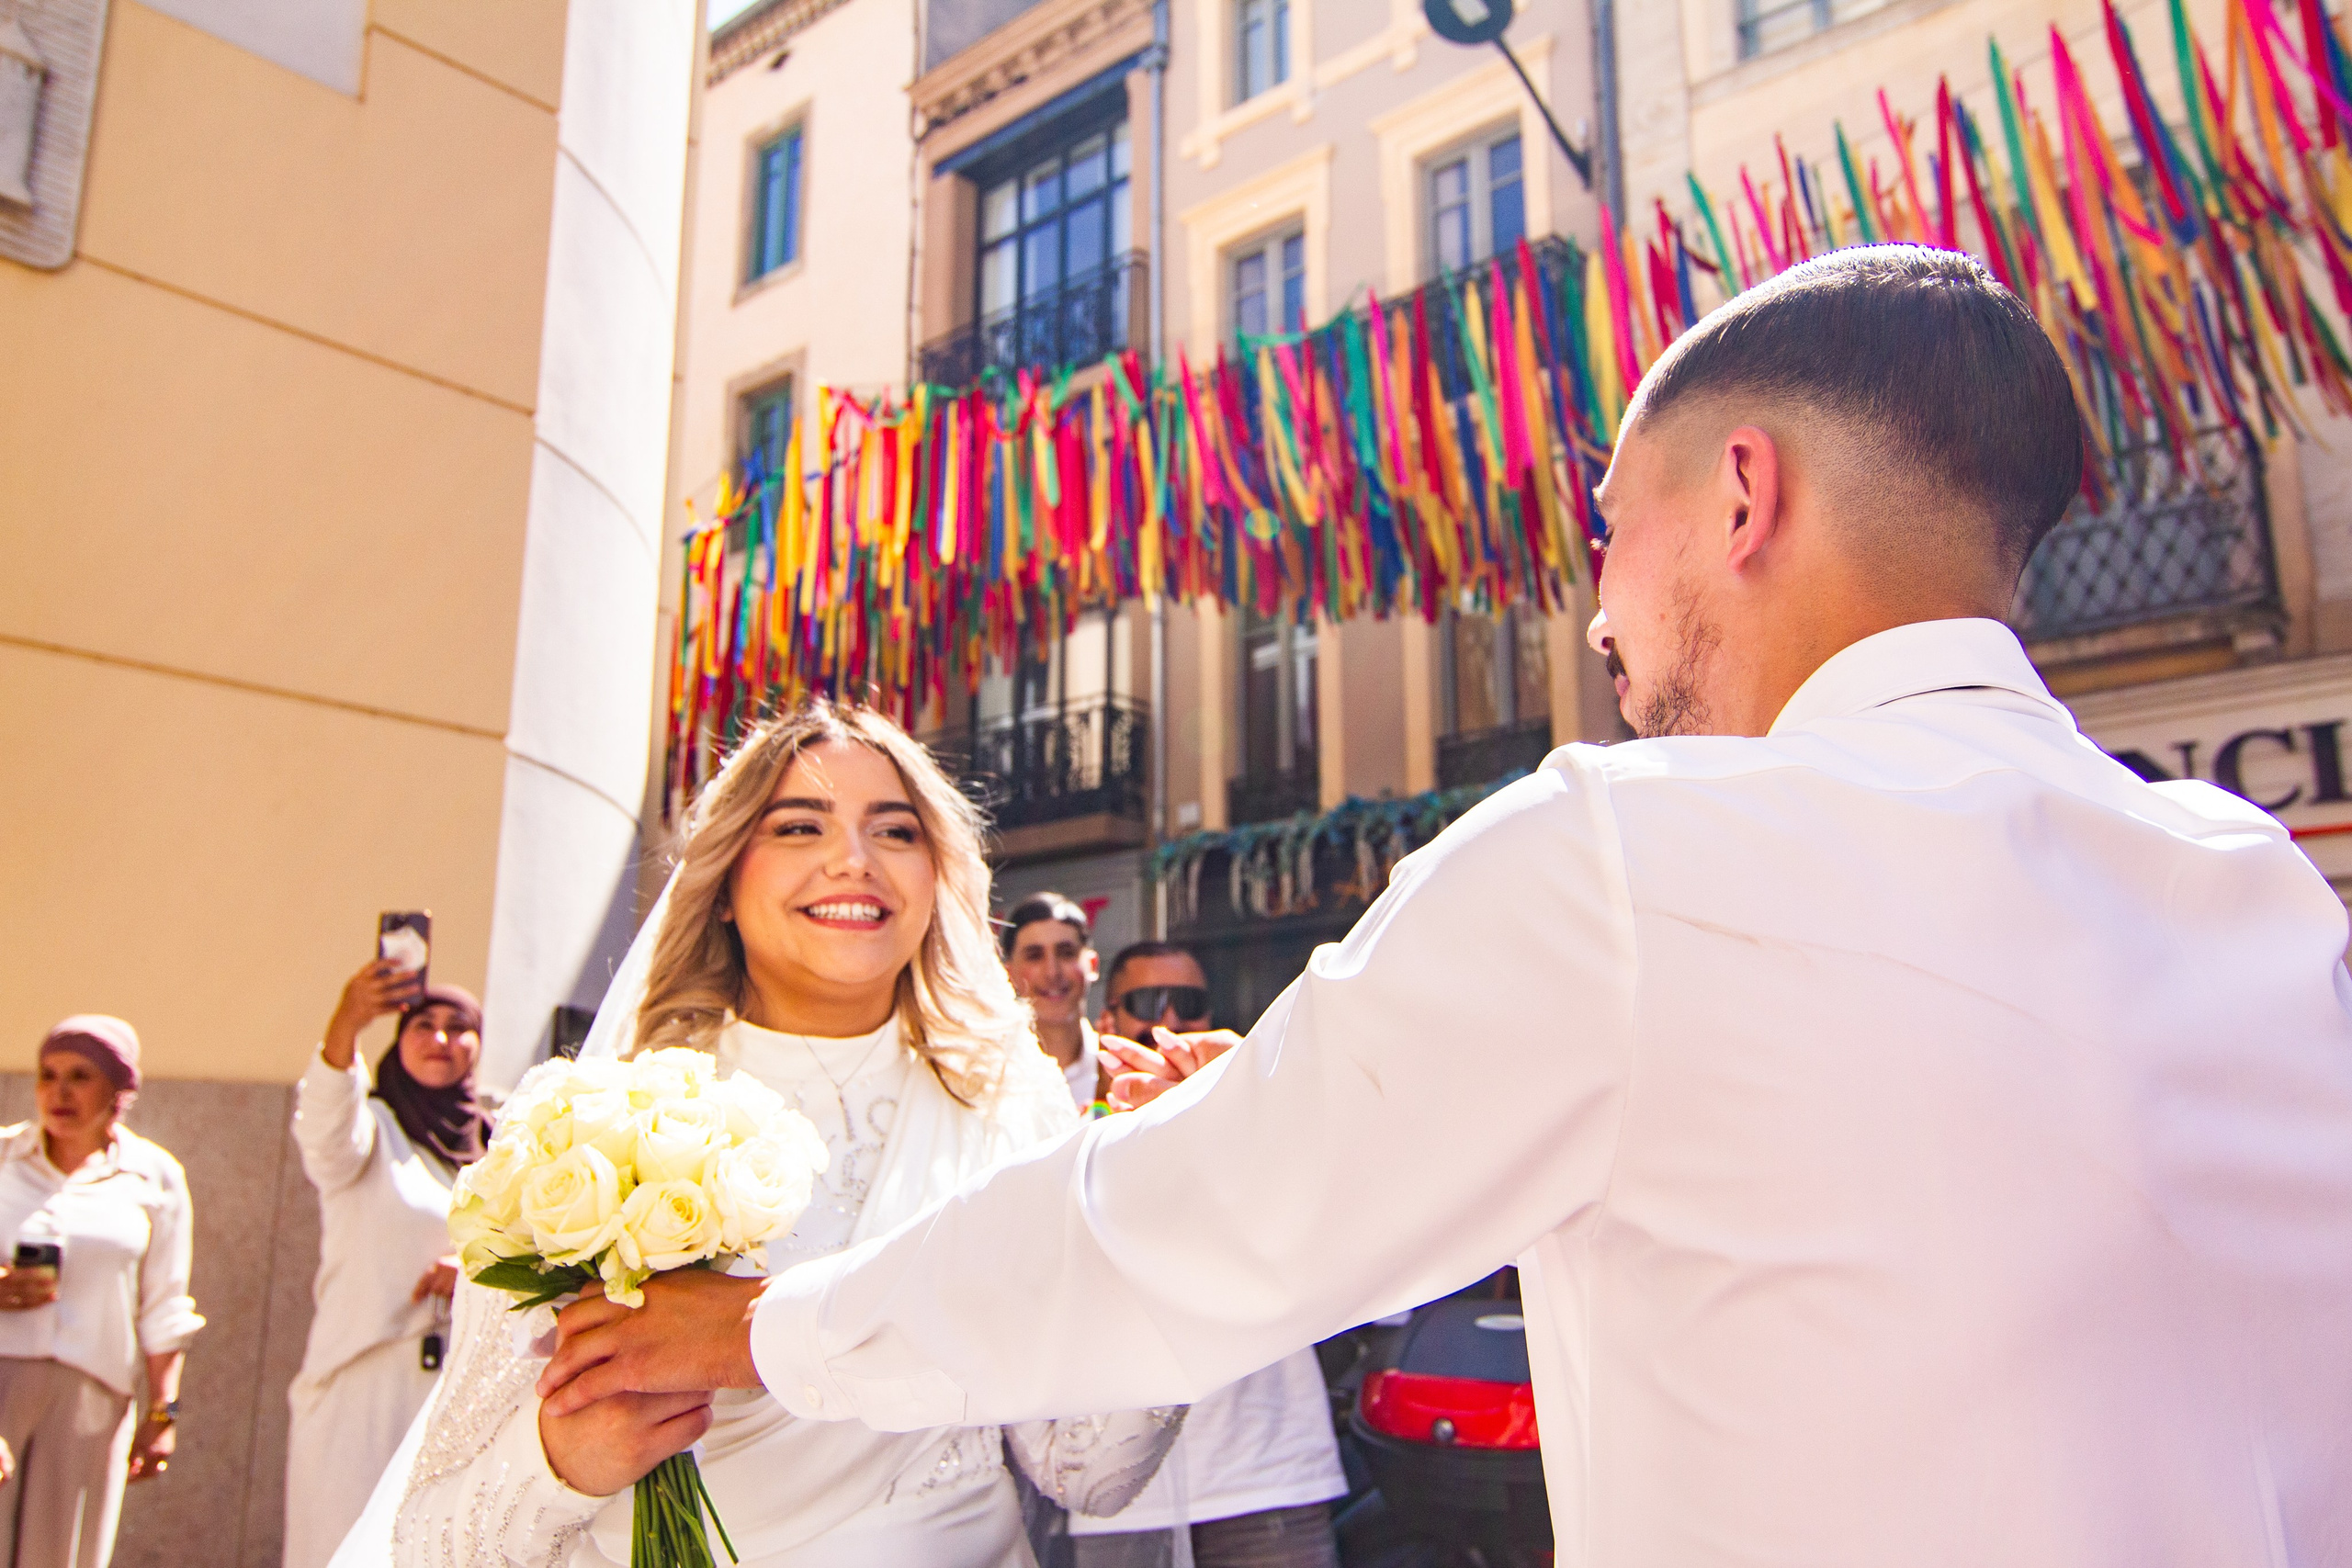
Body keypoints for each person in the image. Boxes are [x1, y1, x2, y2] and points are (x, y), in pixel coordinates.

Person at [533, 245, 2352, 1563]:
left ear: (1740, 493)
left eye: (1602, 536)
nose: (1593, 618)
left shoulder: (1623, 861)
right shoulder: (2257, 897)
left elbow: (1183, 1229)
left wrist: (762, 1327)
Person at [341, 703, 1182, 1568]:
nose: (852, 859)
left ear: (937, 876)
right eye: (799, 824)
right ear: (727, 878)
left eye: (895, 830)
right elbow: (433, 1535)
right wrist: (562, 1466)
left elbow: (1088, 1468)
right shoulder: (588, 1130)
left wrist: (1167, 1189)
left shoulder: (1016, 1106)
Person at [1073, 944, 1345, 1568]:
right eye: (1145, 1003)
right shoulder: (1064, 1127)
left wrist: (1249, 1103)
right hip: (1121, 1492)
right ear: (1109, 1019)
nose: (1168, 1017)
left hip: (1265, 1474)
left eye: (1188, 1004)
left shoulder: (1266, 1104)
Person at [283, 964, 492, 1568]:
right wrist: (347, 1020)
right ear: (397, 1041)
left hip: (459, 1390)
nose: (441, 1039)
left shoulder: (498, 1145)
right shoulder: (371, 1130)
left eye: (459, 1027)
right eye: (423, 1024)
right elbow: (322, 1134)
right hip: (363, 1379)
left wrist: (475, 1269)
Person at [0, 1017, 202, 1568]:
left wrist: (163, 1413)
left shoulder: (154, 1176)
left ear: (118, 1091)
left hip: (93, 1393)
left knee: (63, 1555)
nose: (58, 1092)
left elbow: (165, 1304)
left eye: (80, 1076)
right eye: (47, 1075)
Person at [1000, 894, 1107, 1110]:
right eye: (1034, 956)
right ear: (1008, 974)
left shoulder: (1116, 1067)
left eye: (1066, 953)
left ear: (1093, 965)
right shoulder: (992, 1076)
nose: (1052, 972)